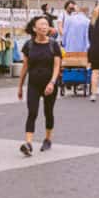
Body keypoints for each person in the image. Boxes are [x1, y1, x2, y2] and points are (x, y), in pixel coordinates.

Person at [17, 15, 62, 156]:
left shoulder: (54, 44)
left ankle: (48, 139)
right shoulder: (28, 45)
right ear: (34, 28)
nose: (44, 27)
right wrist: (20, 86)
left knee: (48, 112)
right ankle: (28, 143)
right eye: (41, 25)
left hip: (50, 84)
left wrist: (52, 83)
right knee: (32, 112)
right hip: (33, 84)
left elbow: (57, 66)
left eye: (46, 24)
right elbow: (25, 67)